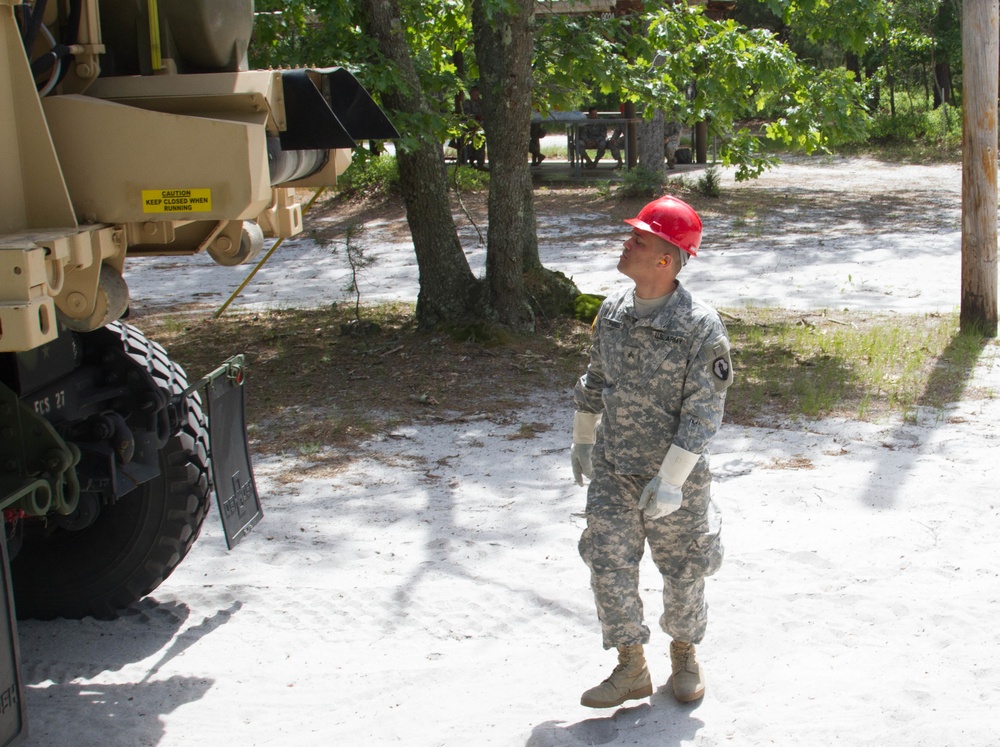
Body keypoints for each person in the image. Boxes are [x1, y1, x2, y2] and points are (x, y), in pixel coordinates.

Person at [570, 195, 733, 708]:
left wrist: (670, 482)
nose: (626, 243)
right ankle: (630, 665)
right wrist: (582, 437)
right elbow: (595, 379)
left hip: (674, 480)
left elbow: (703, 413)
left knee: (685, 570)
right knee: (607, 562)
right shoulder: (613, 310)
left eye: (637, 239)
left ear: (665, 258)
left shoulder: (701, 327)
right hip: (614, 471)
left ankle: (683, 653)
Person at [461, 85, 486, 169]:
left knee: (481, 146)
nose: (476, 95)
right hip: (470, 128)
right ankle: (470, 163)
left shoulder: (482, 103)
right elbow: (467, 114)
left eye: (477, 93)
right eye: (474, 92)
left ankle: (480, 164)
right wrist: (475, 117)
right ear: (471, 93)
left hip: (481, 128)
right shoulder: (467, 103)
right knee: (469, 147)